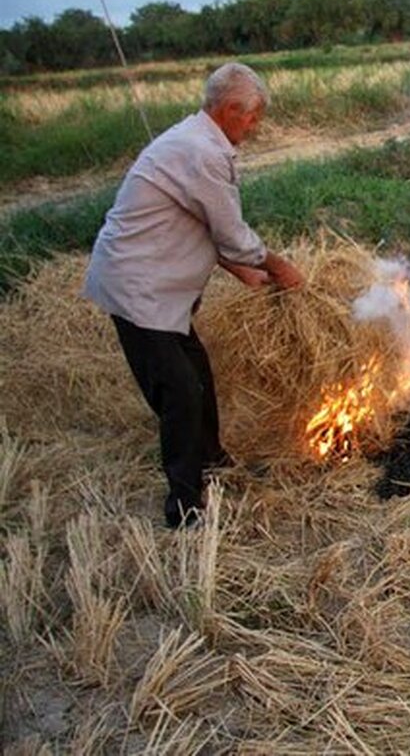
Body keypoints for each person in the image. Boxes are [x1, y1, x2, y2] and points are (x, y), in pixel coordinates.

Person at [83, 62, 304, 528]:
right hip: (137, 287)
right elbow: (230, 230)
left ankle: (212, 458)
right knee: (180, 391)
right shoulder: (200, 151)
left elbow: (199, 220)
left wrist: (239, 269)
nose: (255, 125)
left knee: (196, 373)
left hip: (161, 291)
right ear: (227, 110)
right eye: (252, 116)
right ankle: (184, 506)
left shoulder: (197, 140)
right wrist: (277, 266)